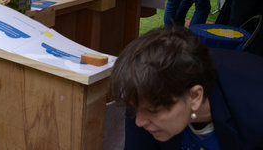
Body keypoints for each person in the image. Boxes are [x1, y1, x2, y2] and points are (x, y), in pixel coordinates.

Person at [110, 26, 263, 149]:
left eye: (153, 111)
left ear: (195, 96)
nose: (139, 122)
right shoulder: (143, 94)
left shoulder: (254, 118)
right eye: (134, 109)